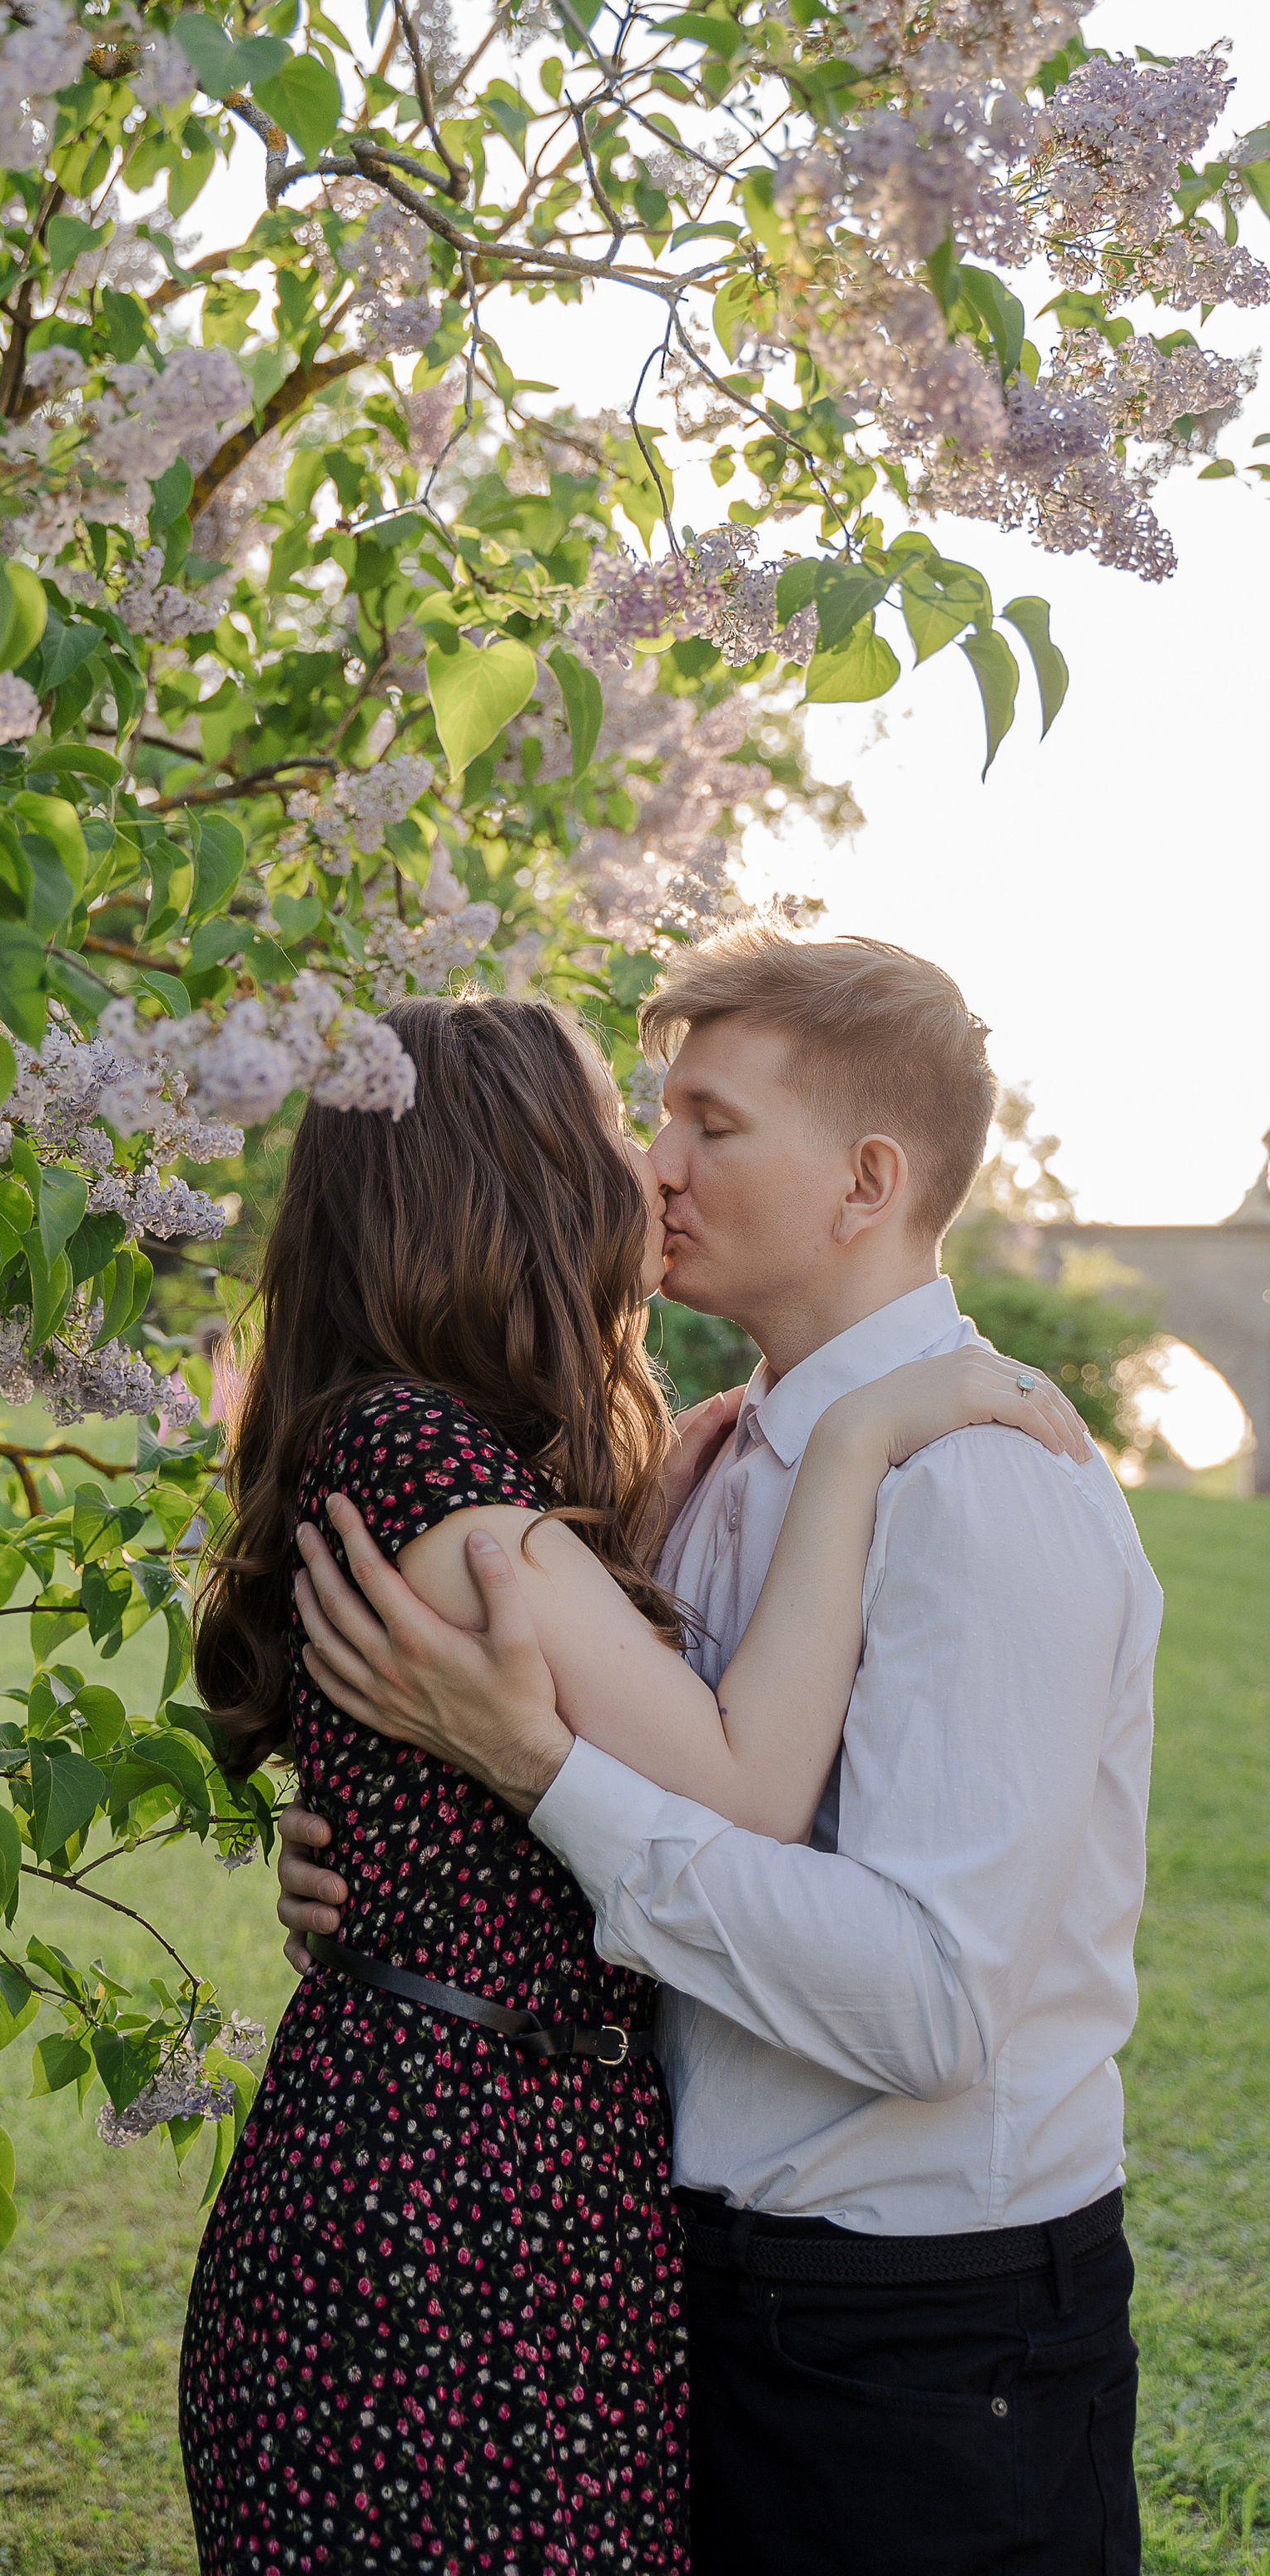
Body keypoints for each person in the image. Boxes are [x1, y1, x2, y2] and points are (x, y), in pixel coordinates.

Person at [277, 930, 1162, 2576]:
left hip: (912, 2343)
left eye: (705, 1122)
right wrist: (398, 1860)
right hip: (683, 2282)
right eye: (650, 1118)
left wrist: (546, 1779)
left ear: (861, 1180)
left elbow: (928, 2009)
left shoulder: (974, 1488)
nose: (648, 1167)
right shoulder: (700, 1469)